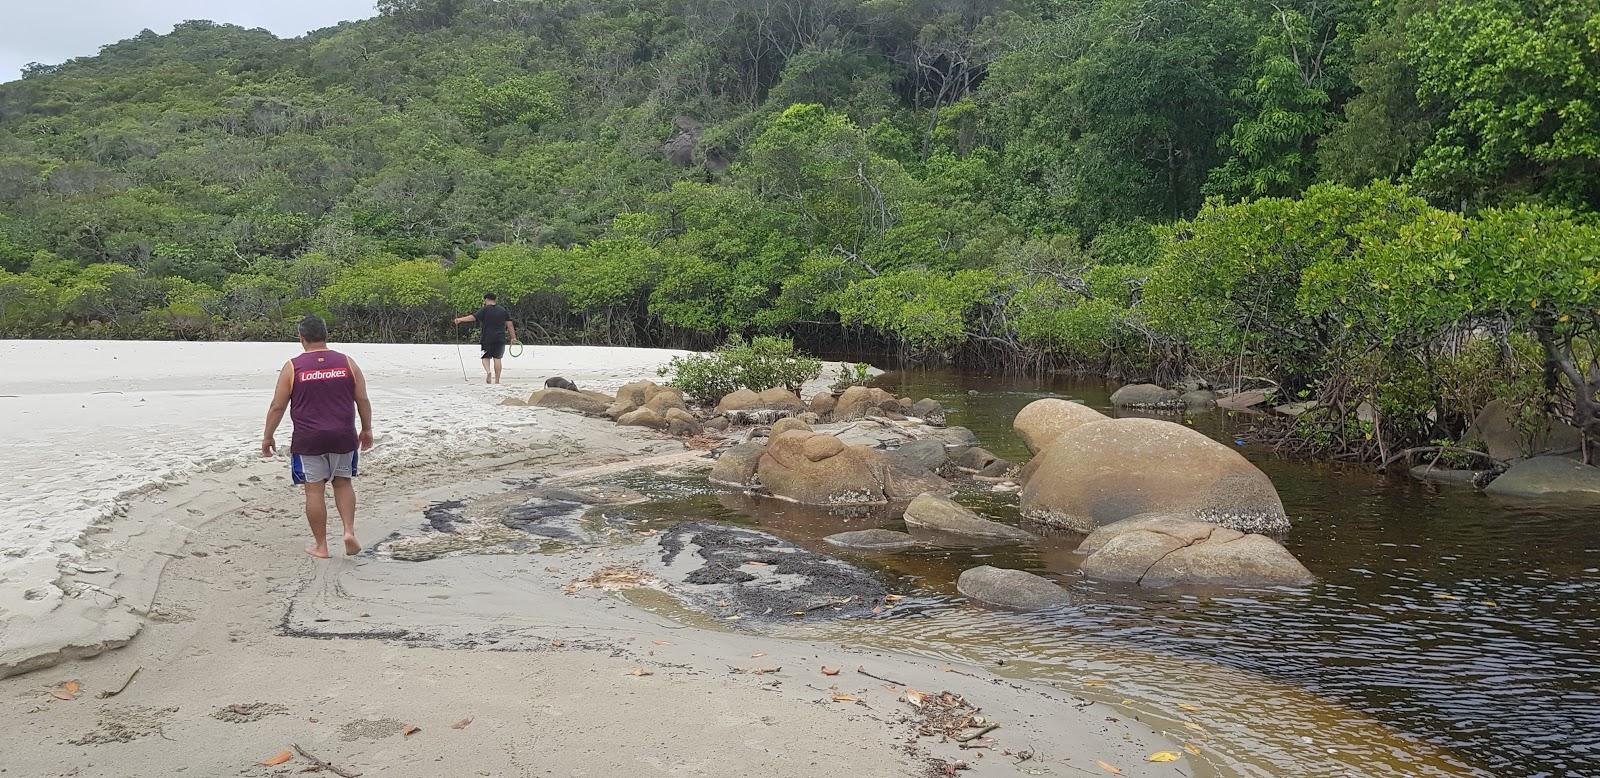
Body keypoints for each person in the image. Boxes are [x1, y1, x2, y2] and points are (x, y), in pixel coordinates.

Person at [261, 315, 374, 559]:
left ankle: (321, 546)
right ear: (326, 335)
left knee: (314, 491)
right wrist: (367, 429)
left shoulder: (293, 367)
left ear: (301, 338)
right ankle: (348, 531)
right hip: (343, 436)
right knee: (343, 483)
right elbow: (362, 399)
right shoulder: (347, 362)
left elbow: (277, 406)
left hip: (308, 439)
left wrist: (267, 436)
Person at [453, 293, 517, 384]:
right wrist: (513, 337)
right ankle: (497, 381)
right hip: (500, 338)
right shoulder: (503, 310)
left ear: (486, 299)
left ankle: (488, 372)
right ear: (495, 299)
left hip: (487, 338)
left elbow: (473, 317)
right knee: (497, 359)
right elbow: (509, 324)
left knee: (485, 357)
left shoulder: (485, 310)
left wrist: (460, 320)